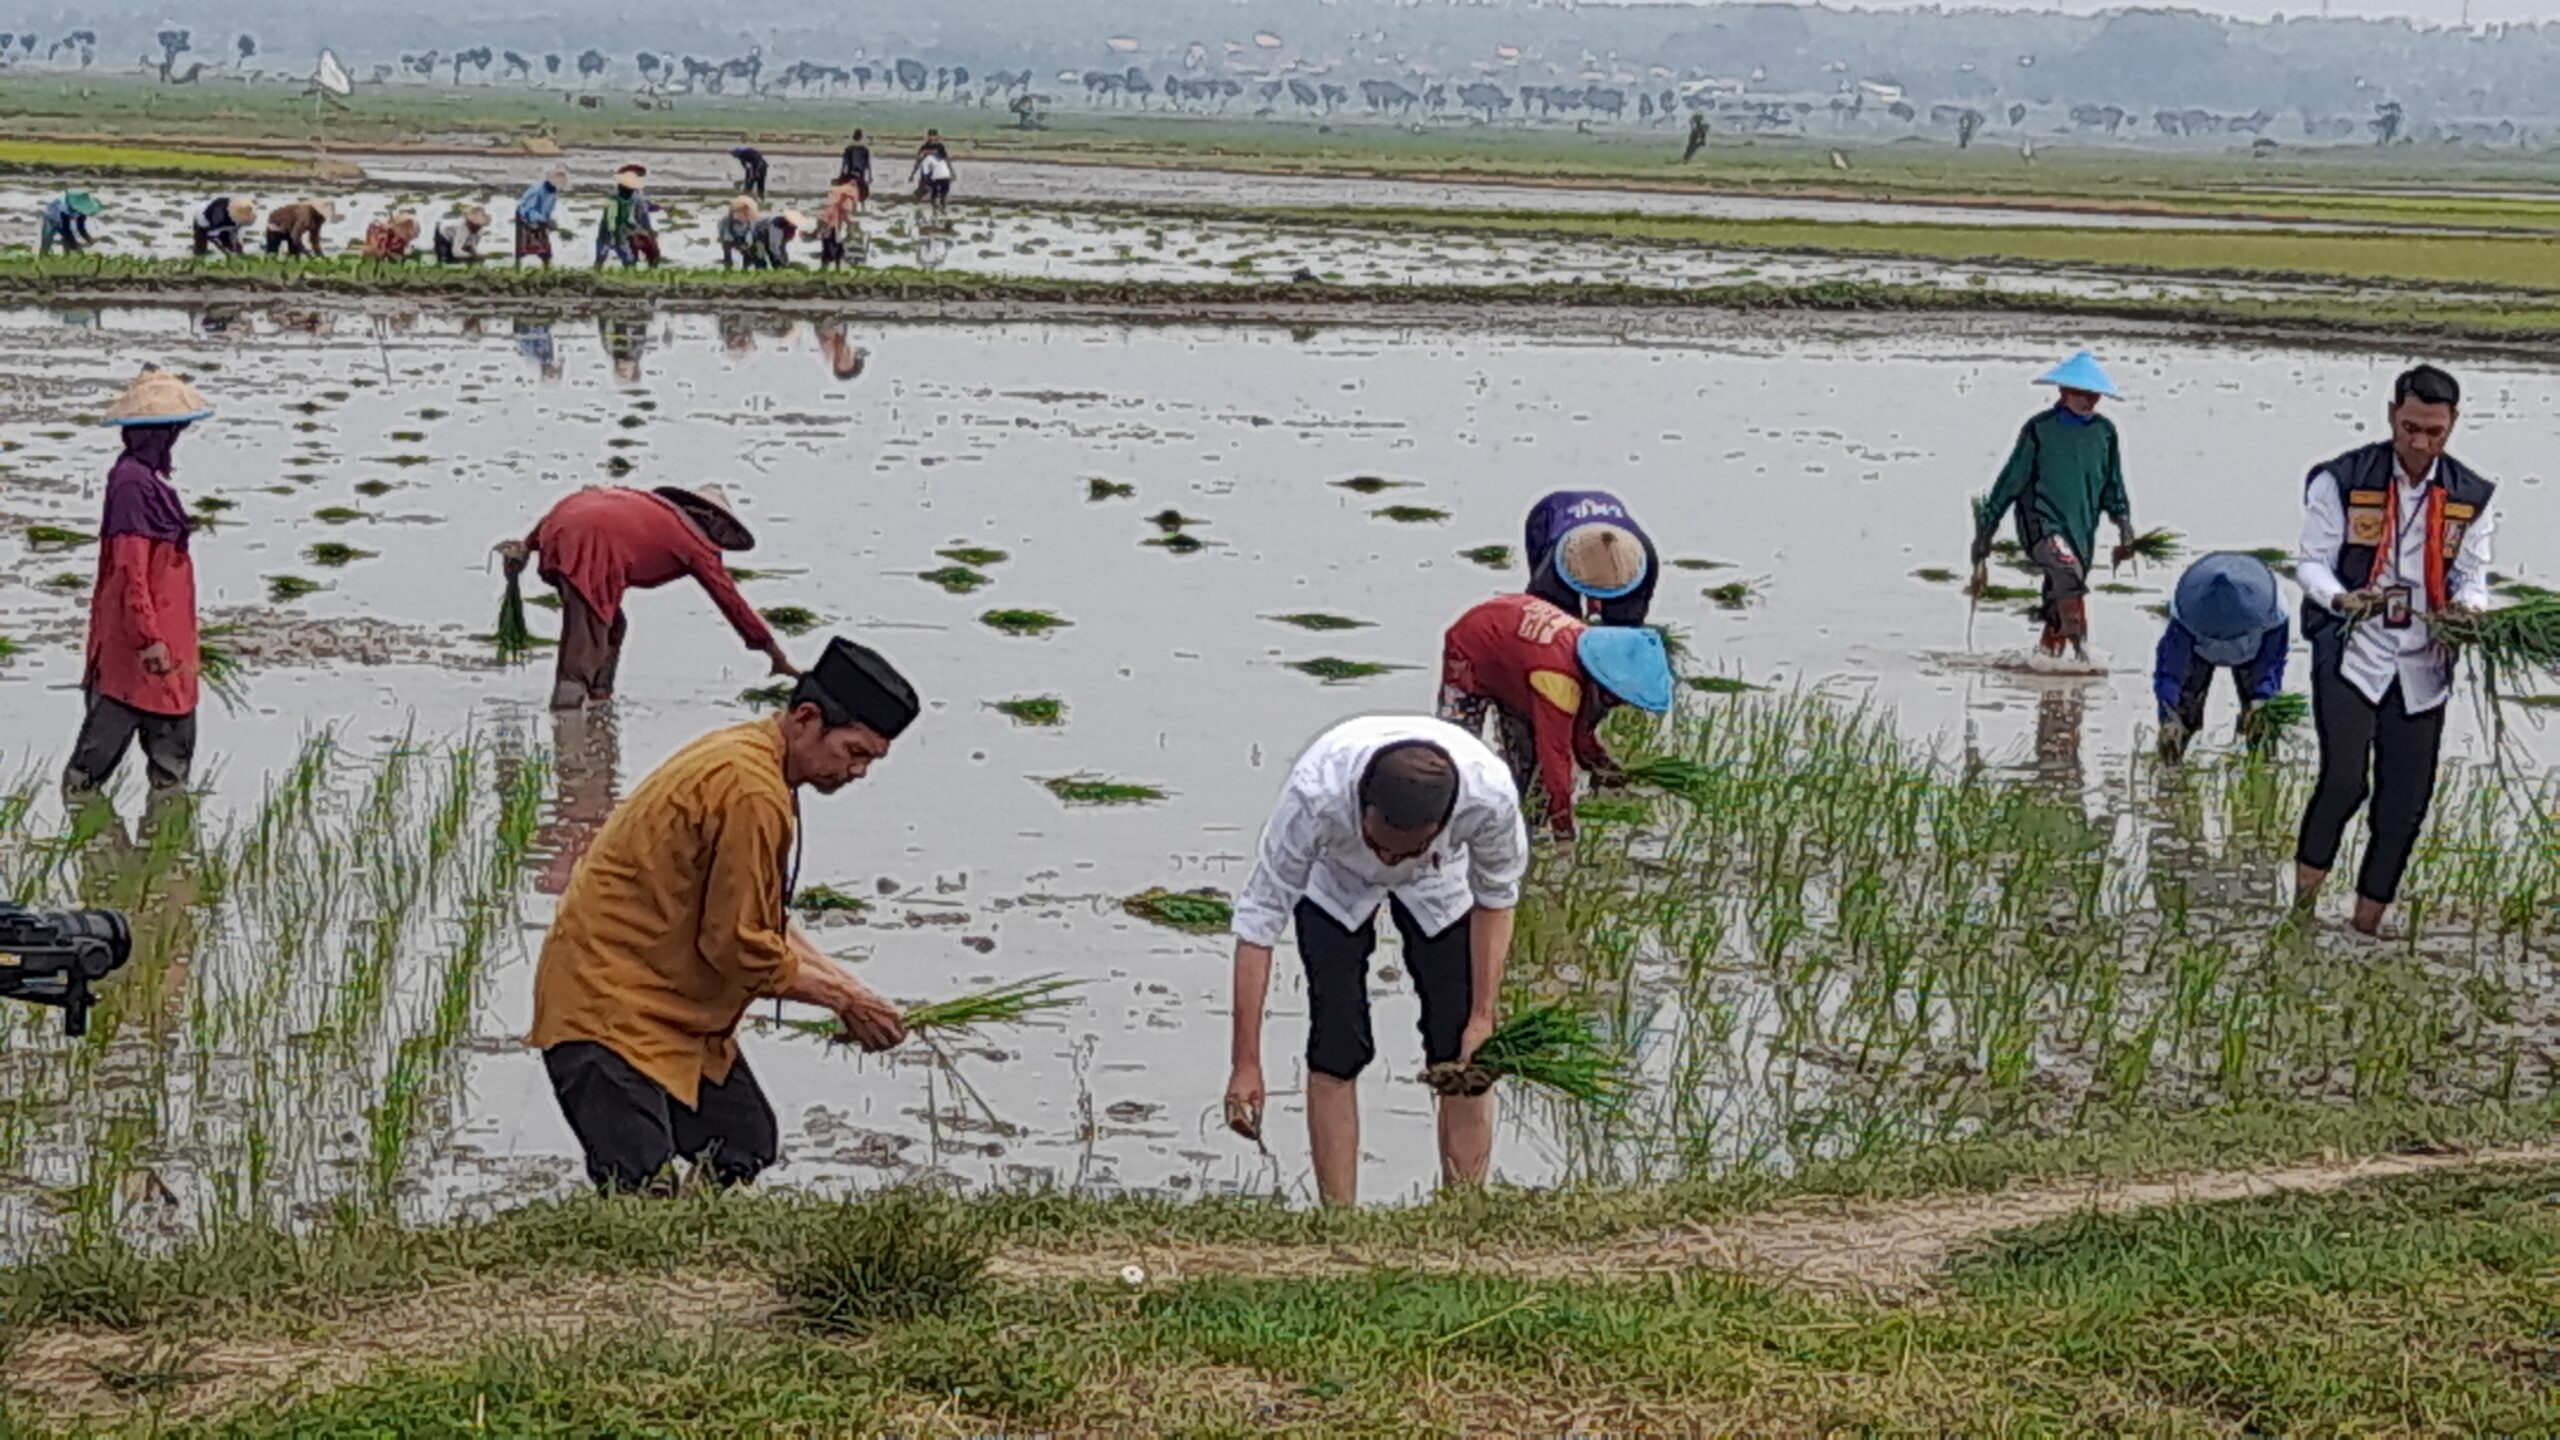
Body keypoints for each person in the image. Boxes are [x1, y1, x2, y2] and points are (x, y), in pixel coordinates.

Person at [526, 636, 919, 1193]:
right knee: (640, 1184)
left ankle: (694, 1253)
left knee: (742, 1145)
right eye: (854, 752)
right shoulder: (750, 790)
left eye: (869, 761)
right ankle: (644, 1267)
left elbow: (766, 919)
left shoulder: (756, 758)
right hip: (605, 1004)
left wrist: (855, 990)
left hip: (671, 1010)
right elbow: (737, 948)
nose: (857, 773)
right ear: (808, 719)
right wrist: (842, 1002)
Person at [1224, 716, 1529, 1208]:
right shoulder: (1315, 796)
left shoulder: (1488, 796)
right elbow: (1259, 921)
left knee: (1461, 1049)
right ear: (1359, 807)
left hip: (1440, 882)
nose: (1388, 860)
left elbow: (1496, 897)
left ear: (1441, 825)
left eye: (1402, 850)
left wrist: (1483, 1015)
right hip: (1335, 881)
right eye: (1378, 844)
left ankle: (1464, 1213)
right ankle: (1340, 1217)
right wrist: (1246, 1064)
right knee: (1336, 1039)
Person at [2293, 364, 2498, 936]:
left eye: (2433, 431)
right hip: (2354, 648)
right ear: (2392, 415)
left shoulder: (2470, 495)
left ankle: (2365, 925)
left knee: (2405, 803)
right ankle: (2301, 912)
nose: (2419, 442)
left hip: (2424, 660)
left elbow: (2475, 578)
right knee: (2344, 781)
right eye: (2410, 427)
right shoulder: (2343, 478)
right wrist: (2342, 599)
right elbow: (2311, 560)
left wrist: (2469, 612)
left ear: (2452, 424)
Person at [499, 484, 798, 711]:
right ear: (704, 516)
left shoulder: (650, 508)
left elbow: (575, 512)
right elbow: (731, 602)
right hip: (593, 547)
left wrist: (526, 546)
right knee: (585, 644)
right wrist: (775, 654)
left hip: (562, 527)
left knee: (613, 626)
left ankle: (600, 699)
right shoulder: (694, 544)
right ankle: (569, 725)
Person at [65, 366, 213, 801]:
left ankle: (165, 857)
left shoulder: (150, 482)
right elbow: (130, 571)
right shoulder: (131, 483)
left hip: (172, 644)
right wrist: (150, 638)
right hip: (139, 649)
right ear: (153, 435)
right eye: (171, 432)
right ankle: (98, 855)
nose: (174, 440)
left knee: (172, 764)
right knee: (89, 771)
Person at [1439, 593, 1674, 838]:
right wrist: (1564, 831)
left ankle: (1523, 831)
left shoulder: (1594, 651)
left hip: (1517, 659)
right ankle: (1448, 828)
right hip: (1471, 645)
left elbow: (1581, 737)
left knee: (1528, 773)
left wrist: (1610, 773)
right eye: (1617, 697)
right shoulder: (1559, 680)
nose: (1618, 704)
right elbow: (1555, 753)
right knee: (1455, 754)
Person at [1968, 351, 2137, 662]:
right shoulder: (2039, 430)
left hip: (2082, 530)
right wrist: (1985, 533)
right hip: (2042, 526)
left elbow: (2114, 486)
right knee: (2066, 570)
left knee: (2062, 591)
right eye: (2082, 394)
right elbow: (2009, 482)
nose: (2090, 401)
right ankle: (2084, 656)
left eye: (2094, 395)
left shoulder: (2105, 433)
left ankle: (2049, 663)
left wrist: (2125, 529)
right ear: (2063, 392)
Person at [2153, 552, 2291, 763]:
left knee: (2260, 725)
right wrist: (2168, 714)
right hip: (2199, 654)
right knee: (2179, 723)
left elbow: (2271, 665)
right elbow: (2171, 670)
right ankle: (2171, 781)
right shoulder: (2185, 613)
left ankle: (2262, 772)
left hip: (2251, 656)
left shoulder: (2275, 614)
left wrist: (2262, 698)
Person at [1523, 490, 1658, 626]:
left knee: (1623, 622)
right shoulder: (1554, 560)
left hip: (1617, 536)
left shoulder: (1647, 556)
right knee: (1554, 620)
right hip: (1550, 515)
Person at [515, 168, 567, 268]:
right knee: (522, 249)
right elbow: (528, 209)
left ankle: (547, 269)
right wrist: (542, 220)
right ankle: (518, 269)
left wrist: (549, 221)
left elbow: (547, 210)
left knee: (545, 250)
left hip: (540, 220)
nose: (561, 183)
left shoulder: (553, 193)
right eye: (558, 179)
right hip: (525, 218)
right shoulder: (537, 189)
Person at [595, 167, 645, 268]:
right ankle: (596, 272)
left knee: (627, 256)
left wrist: (637, 228)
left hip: (621, 231)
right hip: (607, 233)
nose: (631, 192)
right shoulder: (613, 199)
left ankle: (629, 274)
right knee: (602, 254)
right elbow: (611, 218)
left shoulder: (630, 201)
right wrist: (612, 233)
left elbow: (629, 218)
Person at [817, 180, 863, 270]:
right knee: (834, 248)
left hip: (831, 225)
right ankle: (833, 267)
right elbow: (846, 214)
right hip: (833, 226)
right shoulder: (846, 196)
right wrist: (850, 226)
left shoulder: (835, 195)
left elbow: (823, 216)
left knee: (829, 247)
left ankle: (828, 267)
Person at [263, 200, 333, 258]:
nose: (323, 220)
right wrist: (304, 250)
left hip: (288, 230)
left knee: (293, 254)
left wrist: (320, 255)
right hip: (276, 226)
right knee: (272, 254)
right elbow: (295, 235)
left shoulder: (318, 221)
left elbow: (314, 239)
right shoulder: (305, 215)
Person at [38, 191, 101, 255]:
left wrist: (90, 241)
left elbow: (81, 229)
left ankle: (67, 257)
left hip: (63, 220)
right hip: (50, 218)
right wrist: (77, 248)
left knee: (67, 243)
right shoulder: (65, 208)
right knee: (47, 241)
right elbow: (67, 231)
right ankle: (43, 257)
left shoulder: (82, 211)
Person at [717, 196, 759, 269]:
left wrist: (747, 244)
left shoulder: (750, 221)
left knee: (750, 251)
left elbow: (751, 233)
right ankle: (728, 263)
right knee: (726, 247)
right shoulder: (726, 221)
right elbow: (726, 236)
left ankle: (747, 265)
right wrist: (737, 245)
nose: (739, 215)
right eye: (736, 212)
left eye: (743, 213)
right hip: (730, 239)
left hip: (744, 239)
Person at [915, 149, 954, 217]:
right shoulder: (940, 158)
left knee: (934, 194)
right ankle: (943, 209)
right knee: (943, 194)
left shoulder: (926, 160)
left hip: (936, 177)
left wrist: (927, 183)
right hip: (946, 177)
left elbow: (925, 174)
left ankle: (935, 208)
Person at [836, 128, 872, 198]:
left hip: (850, 172)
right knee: (861, 190)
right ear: (861, 137)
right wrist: (870, 176)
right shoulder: (864, 149)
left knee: (850, 190)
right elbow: (867, 164)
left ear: (853, 136)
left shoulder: (849, 148)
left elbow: (844, 164)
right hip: (861, 173)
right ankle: (861, 205)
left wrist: (840, 174)